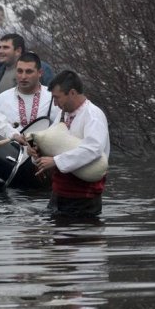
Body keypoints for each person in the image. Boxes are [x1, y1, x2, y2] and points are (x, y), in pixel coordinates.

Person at [31, 70, 110, 217]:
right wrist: (37, 152)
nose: (55, 103)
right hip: (59, 193)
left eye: (57, 98)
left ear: (72, 93)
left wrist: (56, 161)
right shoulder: (63, 114)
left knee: (77, 239)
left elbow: (93, 149)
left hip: (83, 199)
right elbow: (51, 145)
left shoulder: (93, 115)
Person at [0, 52, 59, 129]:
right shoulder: (2, 100)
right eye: (20, 71)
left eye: (29, 72)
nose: (23, 76)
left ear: (40, 73)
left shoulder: (52, 97)